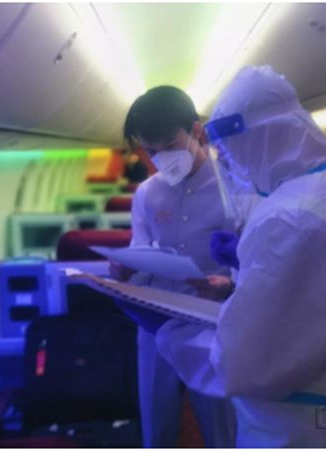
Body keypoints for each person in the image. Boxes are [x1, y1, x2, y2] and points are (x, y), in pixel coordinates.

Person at [155, 66, 326, 447]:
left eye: (231, 151)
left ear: (258, 139)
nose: (231, 164)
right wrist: (243, 274)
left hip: (306, 429)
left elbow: (245, 363)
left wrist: (168, 334)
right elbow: (322, 296)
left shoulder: (291, 216)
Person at [112, 86, 241, 448]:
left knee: (221, 430)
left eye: (170, 146)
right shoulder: (147, 193)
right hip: (157, 324)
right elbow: (140, 250)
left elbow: (255, 263)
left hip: (215, 323)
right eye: (151, 151)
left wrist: (230, 284)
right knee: (157, 428)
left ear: (197, 131)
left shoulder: (234, 187)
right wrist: (125, 270)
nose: (161, 158)